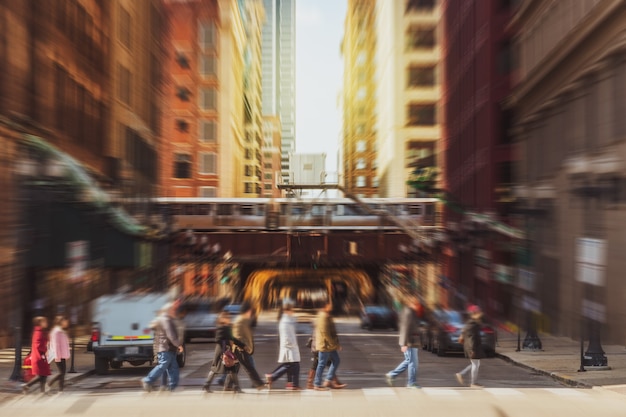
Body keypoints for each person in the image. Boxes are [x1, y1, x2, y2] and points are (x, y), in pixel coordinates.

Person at [142, 300, 184, 392]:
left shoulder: (167, 319)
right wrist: (179, 345)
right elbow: (171, 335)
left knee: (173, 367)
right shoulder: (166, 320)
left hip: (168, 348)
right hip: (166, 348)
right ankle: (148, 380)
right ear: (169, 311)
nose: (174, 312)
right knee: (162, 366)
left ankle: (172, 386)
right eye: (173, 310)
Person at [202, 312, 245, 393]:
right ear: (222, 319)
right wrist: (224, 349)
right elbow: (218, 339)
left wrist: (242, 345)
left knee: (231, 369)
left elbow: (232, 339)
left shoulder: (226, 327)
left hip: (224, 351)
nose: (229, 318)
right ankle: (206, 385)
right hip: (222, 351)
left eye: (228, 317)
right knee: (216, 369)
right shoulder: (222, 328)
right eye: (227, 317)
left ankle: (236, 387)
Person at [385, 296, 422, 389]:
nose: (418, 306)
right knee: (413, 362)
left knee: (409, 361)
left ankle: (392, 375)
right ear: (411, 303)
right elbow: (405, 328)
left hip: (412, 341)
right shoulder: (408, 312)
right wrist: (404, 343)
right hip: (409, 342)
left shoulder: (412, 312)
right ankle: (411, 382)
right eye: (416, 304)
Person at [265, 299, 301, 390]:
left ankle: (292, 384)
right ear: (287, 310)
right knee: (291, 365)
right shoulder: (285, 322)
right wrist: (292, 344)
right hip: (289, 347)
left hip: (290, 347)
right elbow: (286, 336)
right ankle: (273, 377)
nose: (293, 311)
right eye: (292, 309)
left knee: (291, 365)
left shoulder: (287, 319)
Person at [231, 301, 266, 390]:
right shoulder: (242, 321)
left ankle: (228, 385)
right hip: (240, 348)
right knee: (249, 367)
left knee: (235, 367)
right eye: (250, 311)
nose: (251, 313)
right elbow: (242, 336)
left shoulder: (242, 320)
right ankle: (258, 384)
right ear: (247, 311)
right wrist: (246, 347)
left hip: (239, 347)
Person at [312, 302, 347, 390]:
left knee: (336, 360)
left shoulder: (326, 315)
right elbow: (325, 333)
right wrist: (335, 345)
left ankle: (328, 380)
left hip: (329, 345)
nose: (331, 306)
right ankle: (317, 384)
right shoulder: (323, 316)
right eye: (329, 305)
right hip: (325, 345)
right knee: (321, 364)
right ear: (325, 306)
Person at [455, 304, 486, 388]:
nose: (480, 314)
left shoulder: (473, 323)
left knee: (476, 363)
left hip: (473, 346)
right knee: (475, 364)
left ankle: (462, 374)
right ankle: (473, 382)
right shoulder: (473, 324)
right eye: (478, 312)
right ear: (474, 313)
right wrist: (472, 349)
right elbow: (471, 337)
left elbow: (464, 333)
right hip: (472, 347)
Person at [22, 316, 51, 394]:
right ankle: (29, 386)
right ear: (40, 323)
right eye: (44, 322)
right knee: (42, 374)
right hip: (39, 356)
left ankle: (41, 391)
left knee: (43, 374)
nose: (46, 323)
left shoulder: (41, 331)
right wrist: (45, 350)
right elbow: (37, 345)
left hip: (41, 355)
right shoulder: (38, 332)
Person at [47, 315, 71, 393]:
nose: (67, 322)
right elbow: (56, 345)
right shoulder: (57, 332)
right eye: (65, 321)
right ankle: (50, 384)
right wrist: (57, 356)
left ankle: (61, 389)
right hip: (59, 355)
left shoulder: (60, 331)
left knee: (62, 373)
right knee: (62, 373)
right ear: (61, 322)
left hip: (62, 355)